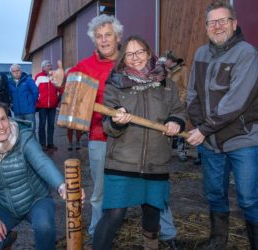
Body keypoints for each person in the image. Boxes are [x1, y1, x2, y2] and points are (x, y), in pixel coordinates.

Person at [186, 1, 258, 249]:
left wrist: (202, 129)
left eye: (223, 21)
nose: (218, 26)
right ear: (206, 27)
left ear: (234, 23)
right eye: (212, 22)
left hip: (241, 137)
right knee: (214, 194)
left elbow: (235, 102)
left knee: (248, 197)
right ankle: (218, 241)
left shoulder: (246, 53)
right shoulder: (201, 54)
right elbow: (192, 95)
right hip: (211, 142)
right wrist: (200, 125)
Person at [93, 35, 186, 250]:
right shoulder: (115, 84)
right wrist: (117, 121)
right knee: (114, 214)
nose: (135, 58)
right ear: (123, 58)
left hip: (156, 161)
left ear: (149, 53)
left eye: (140, 52)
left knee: (152, 211)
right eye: (129, 54)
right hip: (122, 162)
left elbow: (179, 111)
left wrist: (175, 122)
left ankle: (150, 246)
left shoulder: (167, 84)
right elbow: (107, 126)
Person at [50, 14, 124, 248]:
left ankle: (164, 233)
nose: (103, 40)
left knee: (150, 186)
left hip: (135, 138)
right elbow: (70, 90)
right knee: (100, 191)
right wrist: (62, 83)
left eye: (108, 35)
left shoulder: (130, 59)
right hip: (100, 137)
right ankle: (96, 235)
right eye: (98, 37)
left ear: (118, 37)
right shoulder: (84, 67)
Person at [0, 100, 69, 250]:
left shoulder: (23, 137)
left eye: (3, 119)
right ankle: (6, 240)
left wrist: (61, 185)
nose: (1, 126)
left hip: (36, 199)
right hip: (4, 206)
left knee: (44, 227)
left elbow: (42, 162)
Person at [164, 50, 189, 162]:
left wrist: (181, 102)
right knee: (167, 127)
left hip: (179, 103)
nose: (164, 61)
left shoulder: (183, 69)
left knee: (180, 129)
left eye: (166, 59)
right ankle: (167, 152)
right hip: (167, 104)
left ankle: (181, 152)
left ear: (172, 60)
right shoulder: (166, 71)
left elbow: (186, 87)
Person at [34, 60, 60, 151]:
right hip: (42, 105)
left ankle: (50, 143)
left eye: (50, 65)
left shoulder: (55, 76)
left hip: (52, 105)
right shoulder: (39, 77)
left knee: (51, 125)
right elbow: (34, 90)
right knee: (42, 125)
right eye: (48, 65)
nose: (50, 67)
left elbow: (58, 89)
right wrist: (38, 100)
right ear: (43, 68)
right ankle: (42, 144)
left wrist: (57, 99)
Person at [8, 64, 38, 129]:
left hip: (29, 112)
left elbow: (35, 92)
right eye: (14, 71)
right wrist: (12, 106)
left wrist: (31, 103)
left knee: (31, 130)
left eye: (17, 70)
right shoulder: (9, 83)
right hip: (17, 112)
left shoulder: (28, 80)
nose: (16, 72)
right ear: (11, 73)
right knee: (20, 131)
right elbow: (9, 96)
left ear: (21, 71)